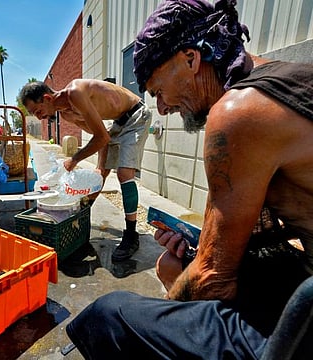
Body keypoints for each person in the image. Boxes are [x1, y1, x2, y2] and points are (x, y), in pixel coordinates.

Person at [65, 0, 313, 358]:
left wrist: (170, 301)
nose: (162, 108)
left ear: (191, 60)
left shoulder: (239, 113)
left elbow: (214, 279)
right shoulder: (285, 81)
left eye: (159, 92)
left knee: (109, 314)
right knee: (183, 264)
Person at [19, 79, 152, 261]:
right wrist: (100, 169)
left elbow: (101, 137)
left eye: (38, 111)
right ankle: (80, 219)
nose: (40, 117)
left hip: (136, 115)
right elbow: (102, 136)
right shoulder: (67, 115)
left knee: (124, 173)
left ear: (47, 98)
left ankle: (131, 234)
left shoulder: (75, 92)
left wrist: (74, 159)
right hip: (118, 123)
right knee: (100, 176)